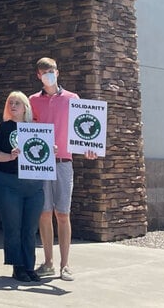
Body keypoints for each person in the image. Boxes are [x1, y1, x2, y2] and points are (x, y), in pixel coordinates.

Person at [29, 57, 96, 282]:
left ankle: (65, 264)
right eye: (44, 72)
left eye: (52, 70)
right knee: (45, 213)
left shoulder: (72, 99)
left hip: (64, 163)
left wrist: (89, 147)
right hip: (40, 163)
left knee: (63, 214)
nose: (48, 74)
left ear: (58, 72)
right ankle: (47, 262)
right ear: (38, 75)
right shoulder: (32, 101)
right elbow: (27, 129)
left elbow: (84, 130)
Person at [0, 91, 44, 283]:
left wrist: (50, 150)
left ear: (25, 107)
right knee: (13, 227)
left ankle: (30, 266)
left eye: (17, 103)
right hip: (8, 183)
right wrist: (9, 156)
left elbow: (44, 153)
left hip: (34, 185)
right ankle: (17, 266)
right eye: (10, 102)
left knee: (30, 228)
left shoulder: (36, 128)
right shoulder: (1, 128)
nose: (13, 106)